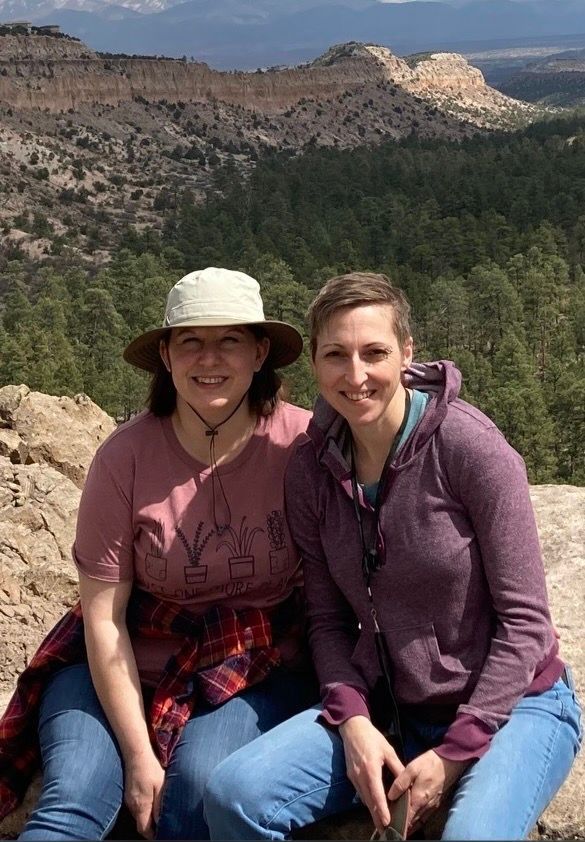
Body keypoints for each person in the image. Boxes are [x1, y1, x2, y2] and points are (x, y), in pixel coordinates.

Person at [203, 271, 582, 841]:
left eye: (373, 352)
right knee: (234, 795)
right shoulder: (311, 470)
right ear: (313, 362)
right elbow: (327, 621)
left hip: (514, 706)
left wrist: (454, 754)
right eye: (335, 354)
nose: (355, 376)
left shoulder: (469, 448)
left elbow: (527, 625)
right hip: (392, 706)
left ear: (406, 354)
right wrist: (352, 719)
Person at [12, 267, 317, 840]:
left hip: (252, 666)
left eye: (229, 339)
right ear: (167, 356)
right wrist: (137, 755)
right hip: (115, 668)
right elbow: (102, 618)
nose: (209, 358)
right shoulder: (124, 459)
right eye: (191, 341)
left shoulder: (299, 445)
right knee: (74, 798)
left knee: (198, 785)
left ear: (259, 353)